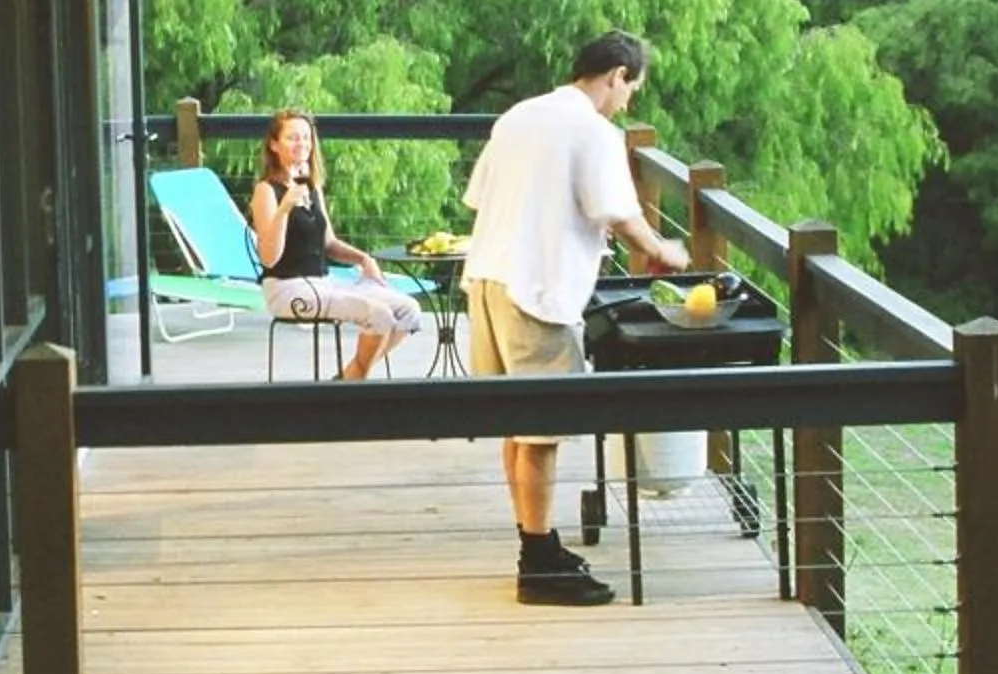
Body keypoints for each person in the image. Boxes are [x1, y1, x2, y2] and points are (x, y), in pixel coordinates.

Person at [460, 31, 692, 605]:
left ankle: (536, 543)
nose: (626, 102)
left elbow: (480, 197)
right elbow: (619, 214)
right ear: (616, 74)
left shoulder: (519, 115)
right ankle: (538, 568)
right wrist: (666, 251)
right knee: (541, 431)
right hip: (535, 290)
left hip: (487, 278)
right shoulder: (593, 130)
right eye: (629, 89)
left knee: (516, 425)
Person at [249, 107, 425, 381]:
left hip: (323, 283)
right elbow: (269, 258)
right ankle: (351, 386)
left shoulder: (312, 187)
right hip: (287, 290)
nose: (302, 144)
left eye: (306, 137)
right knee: (378, 315)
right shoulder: (266, 191)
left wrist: (363, 259)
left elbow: (328, 242)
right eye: (292, 138)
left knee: (408, 310)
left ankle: (347, 380)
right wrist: (284, 209)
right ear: (274, 145)